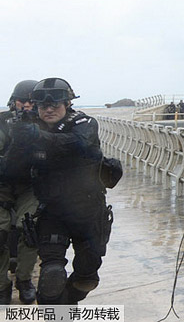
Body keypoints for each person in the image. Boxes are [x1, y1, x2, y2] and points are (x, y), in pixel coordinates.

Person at [5, 77, 112, 305]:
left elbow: (78, 143)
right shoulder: (29, 128)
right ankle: (54, 311)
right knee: (52, 276)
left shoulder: (84, 123)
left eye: (56, 104)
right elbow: (11, 169)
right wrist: (19, 142)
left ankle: (64, 307)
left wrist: (36, 136)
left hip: (88, 211)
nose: (49, 109)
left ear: (68, 104)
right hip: (52, 212)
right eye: (43, 105)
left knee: (87, 277)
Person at [0, 80, 40, 304]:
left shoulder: (43, 124)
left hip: (29, 186)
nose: (25, 105)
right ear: (13, 101)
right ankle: (1, 285)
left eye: (31, 102)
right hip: (2, 186)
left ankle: (24, 280)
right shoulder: (3, 122)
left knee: (29, 227)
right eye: (21, 101)